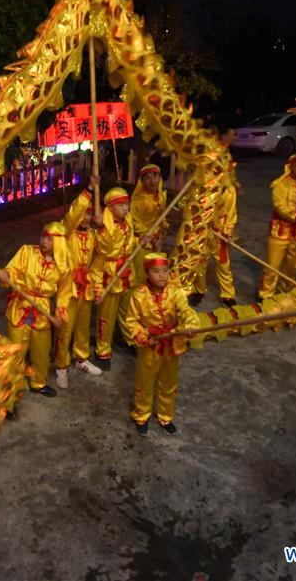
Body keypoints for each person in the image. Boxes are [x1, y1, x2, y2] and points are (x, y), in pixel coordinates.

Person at [124, 252, 200, 436]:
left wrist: (190, 325)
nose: (162, 276)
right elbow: (131, 321)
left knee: (169, 382)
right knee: (145, 381)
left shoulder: (175, 292)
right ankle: (141, 414)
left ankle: (166, 416)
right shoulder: (138, 296)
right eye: (156, 272)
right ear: (147, 273)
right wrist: (143, 337)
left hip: (172, 344)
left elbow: (185, 311)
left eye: (165, 271)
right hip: (151, 346)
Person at [0, 221, 73, 396]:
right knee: (16, 351)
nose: (44, 242)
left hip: (42, 311)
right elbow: (13, 269)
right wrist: (6, 275)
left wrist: (60, 313)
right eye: (43, 237)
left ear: (59, 243)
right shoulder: (27, 252)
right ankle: (10, 392)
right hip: (20, 306)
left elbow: (64, 293)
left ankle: (38, 382)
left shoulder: (63, 266)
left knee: (41, 350)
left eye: (49, 239)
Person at [52, 175, 104, 388]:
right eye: (83, 212)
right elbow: (72, 216)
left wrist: (102, 226)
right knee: (66, 327)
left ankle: (81, 358)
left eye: (89, 213)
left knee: (83, 326)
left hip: (86, 288)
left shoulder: (93, 235)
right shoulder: (67, 233)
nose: (85, 217)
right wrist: (90, 189)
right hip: (68, 289)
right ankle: (61, 366)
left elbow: (104, 254)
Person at [89, 187, 137, 371]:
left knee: (127, 312)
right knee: (105, 317)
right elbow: (98, 264)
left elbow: (130, 244)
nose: (126, 208)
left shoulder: (128, 221)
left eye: (127, 204)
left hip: (127, 273)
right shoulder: (104, 230)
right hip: (111, 276)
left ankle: (127, 339)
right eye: (121, 205)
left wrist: (140, 240)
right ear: (110, 207)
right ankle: (103, 350)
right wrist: (98, 289)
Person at [189, 138, 240, 308]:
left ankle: (228, 294)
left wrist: (228, 232)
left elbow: (231, 214)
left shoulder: (229, 189)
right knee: (200, 262)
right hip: (202, 231)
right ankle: (198, 290)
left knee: (223, 264)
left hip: (220, 234)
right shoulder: (201, 186)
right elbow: (193, 207)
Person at [257, 154, 296, 300]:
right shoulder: (280, 184)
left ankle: (285, 293)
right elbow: (279, 206)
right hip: (280, 231)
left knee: (292, 267)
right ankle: (265, 295)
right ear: (291, 166)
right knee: (272, 266)